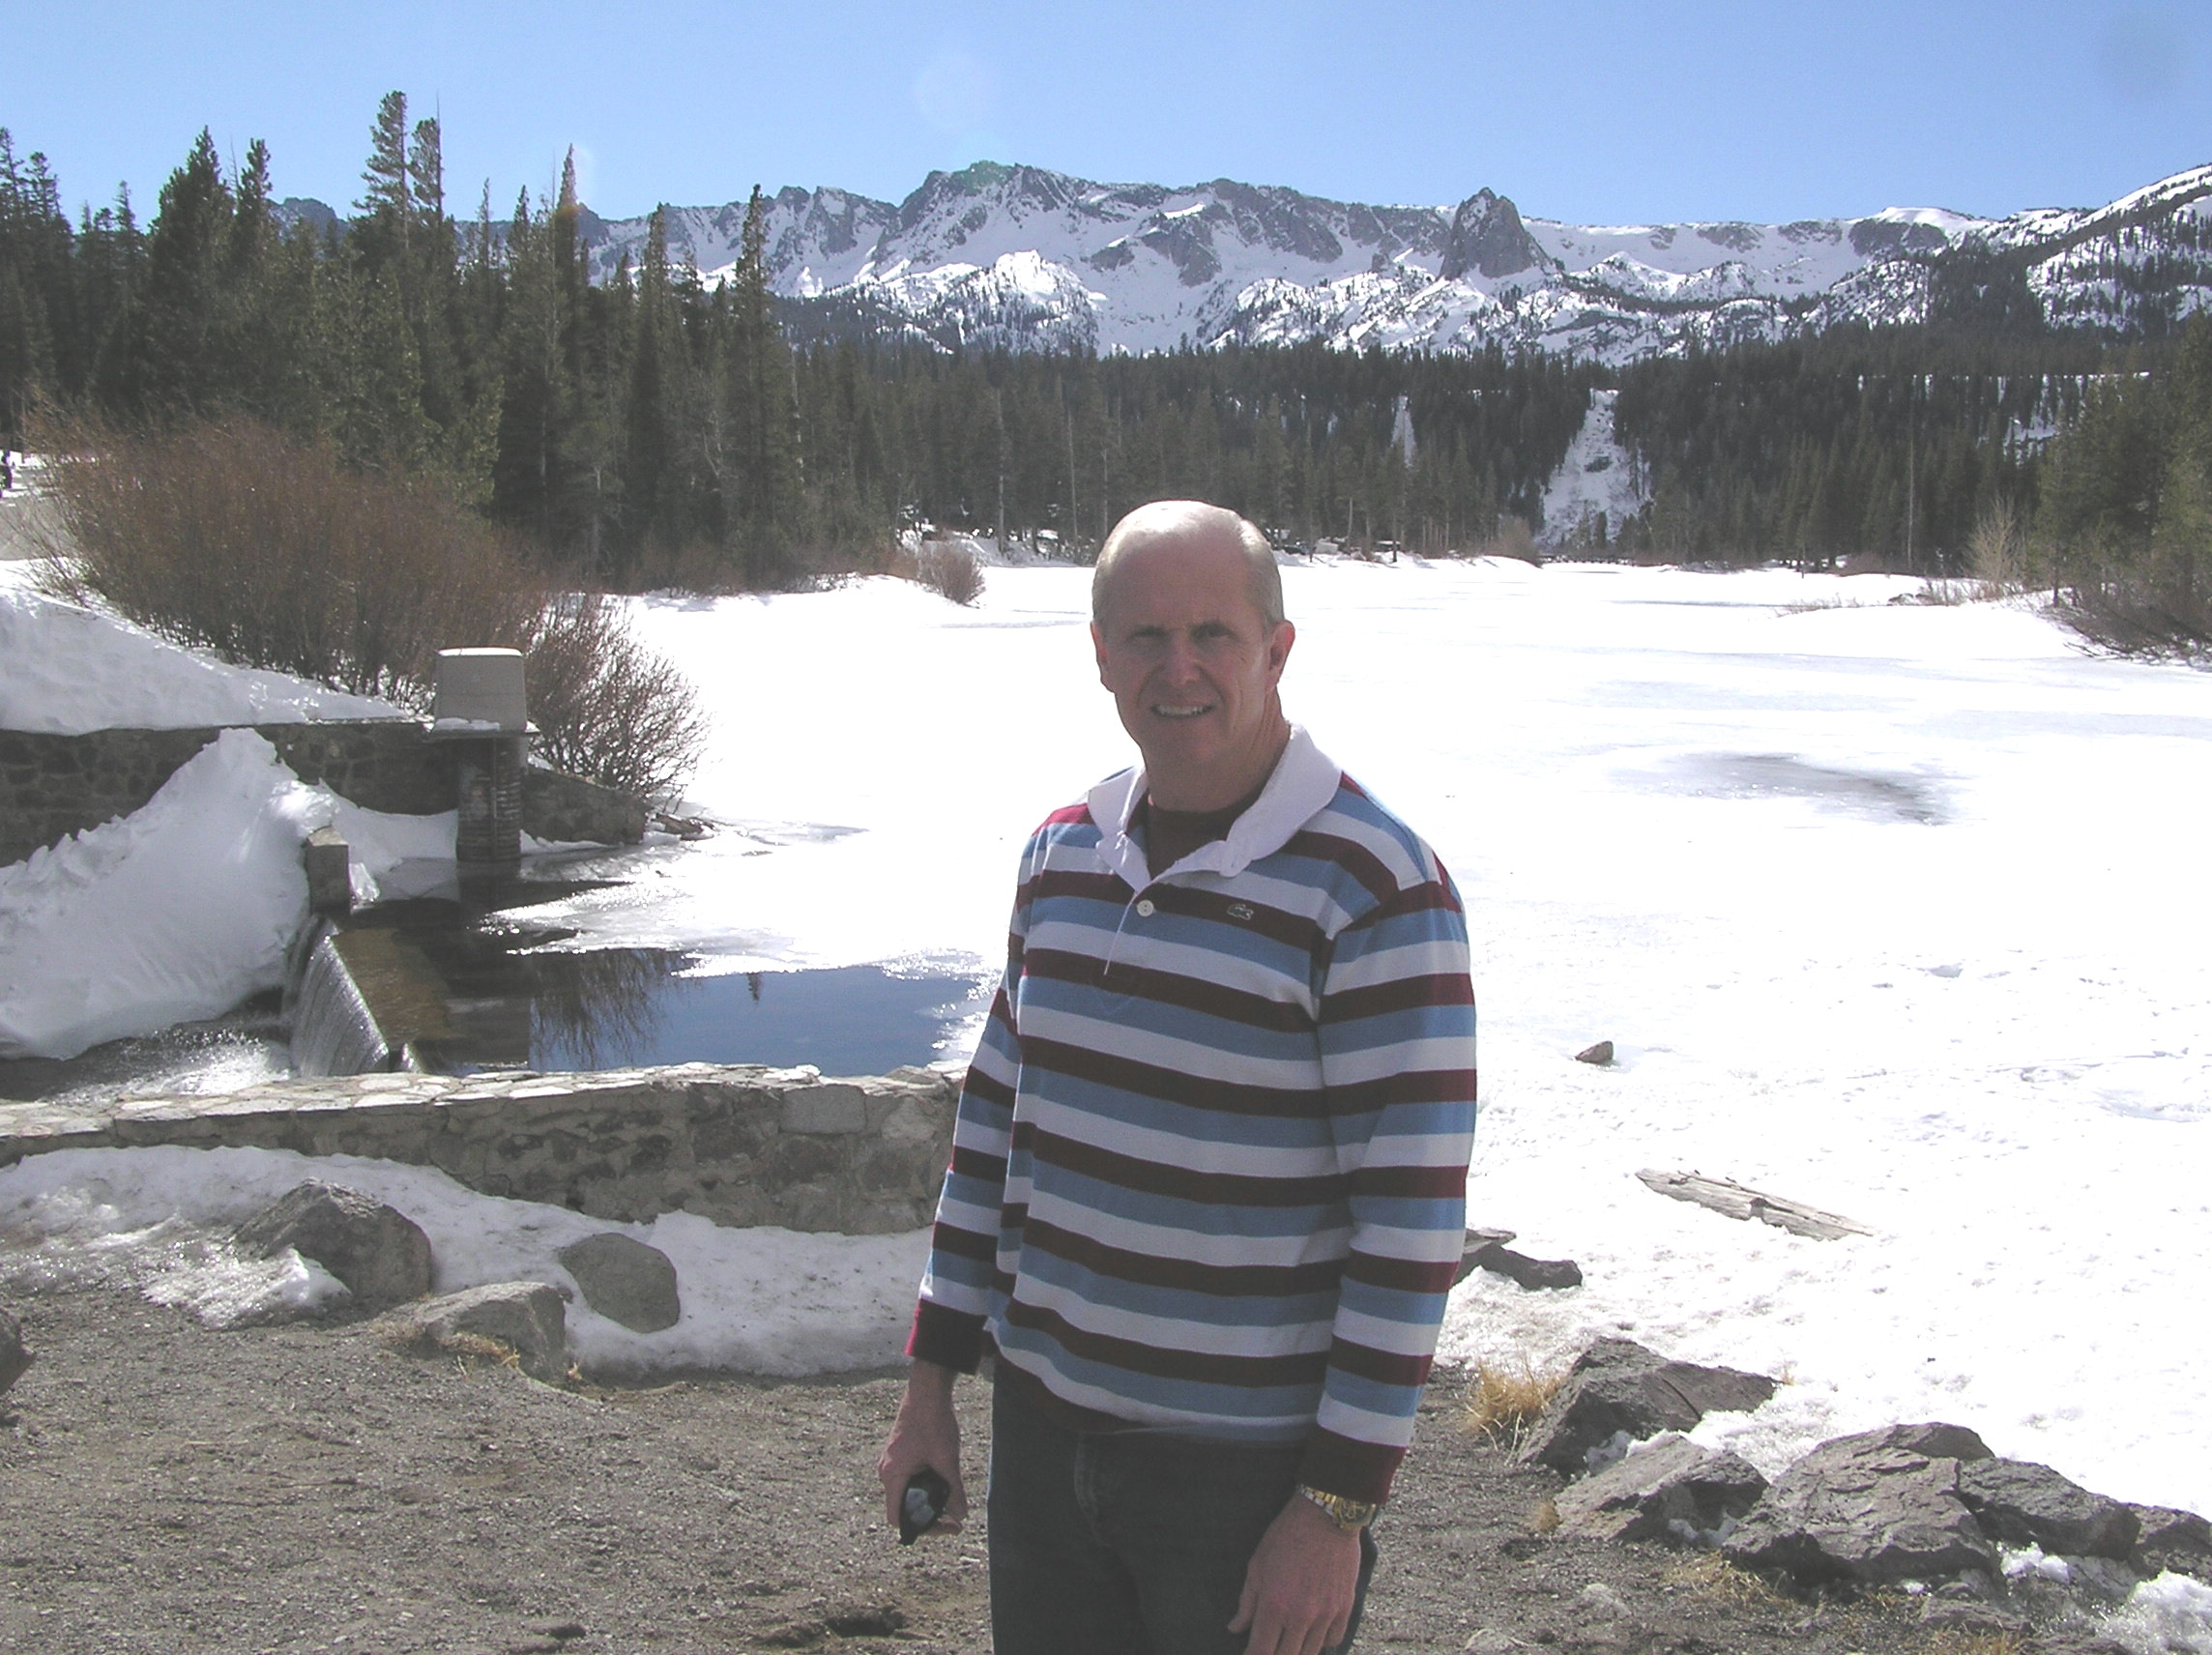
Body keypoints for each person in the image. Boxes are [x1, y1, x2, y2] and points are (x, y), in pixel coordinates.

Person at [877, 500, 1476, 1655]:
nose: (1179, 667)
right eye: (1145, 636)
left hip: (1241, 1477)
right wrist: (930, 1382)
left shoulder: (1373, 887)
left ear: (1276, 649)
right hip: (1044, 1441)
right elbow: (993, 1132)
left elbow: (1407, 1225)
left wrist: (1333, 1507)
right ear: (1100, 653)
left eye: (1213, 633)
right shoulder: (1062, 855)